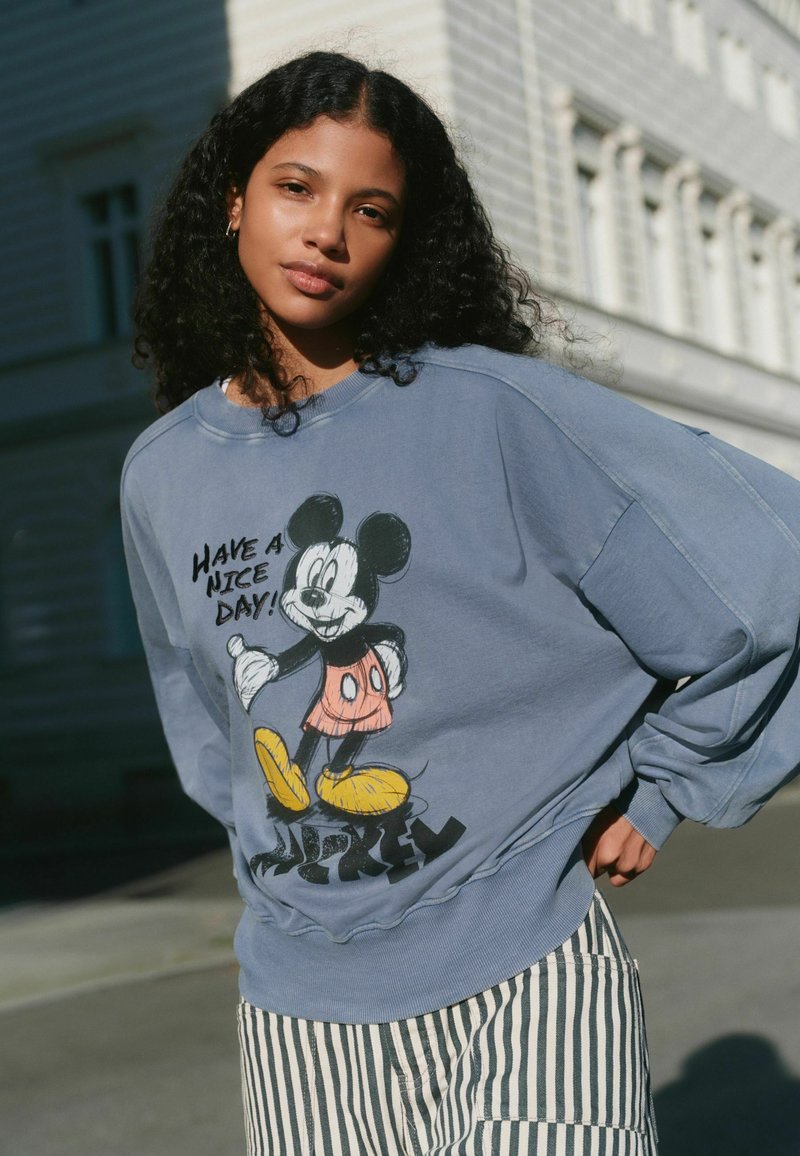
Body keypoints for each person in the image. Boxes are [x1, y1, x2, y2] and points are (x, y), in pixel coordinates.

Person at [122, 50, 800, 1156]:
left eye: (371, 210)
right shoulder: (160, 473)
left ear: (405, 239)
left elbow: (769, 562)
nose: (327, 232)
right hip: (299, 1009)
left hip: (527, 970)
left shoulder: (493, 410)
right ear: (233, 198)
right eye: (296, 187)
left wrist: (672, 781)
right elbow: (204, 719)